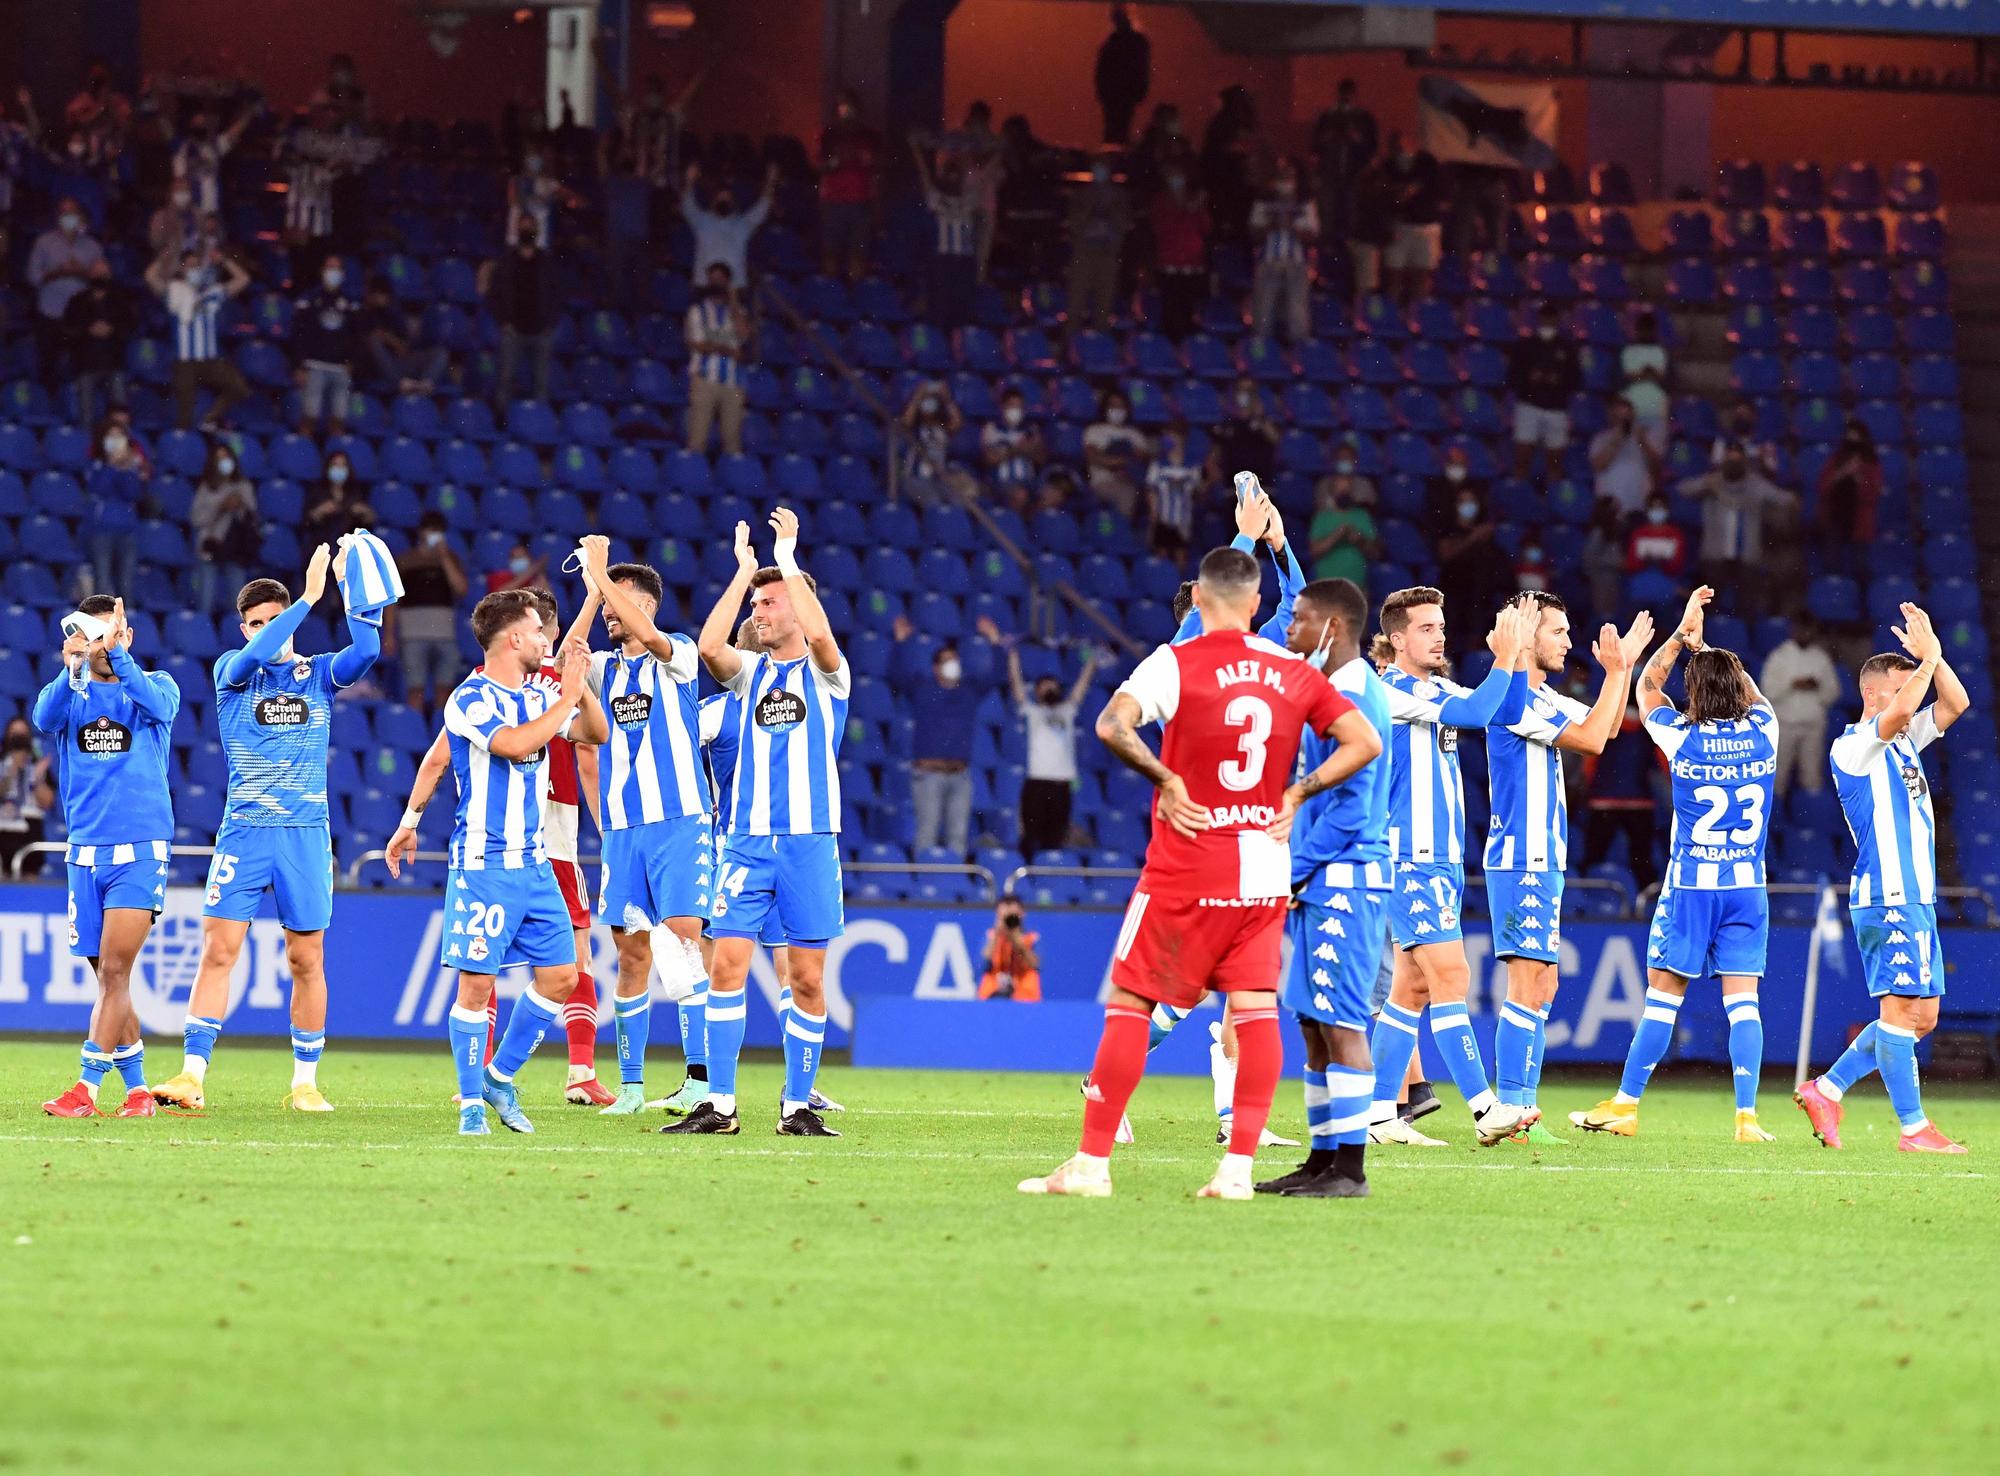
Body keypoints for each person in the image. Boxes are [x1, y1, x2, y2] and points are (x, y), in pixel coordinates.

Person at [1017, 546, 1382, 1199]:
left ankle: (1092, 1165)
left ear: (1202, 602)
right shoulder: (1291, 669)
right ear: (1252, 604)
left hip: (1189, 863)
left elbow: (1111, 724)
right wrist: (1297, 795)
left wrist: (1166, 778)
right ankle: (1237, 1170)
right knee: (1254, 1012)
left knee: (1132, 1003)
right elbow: (1364, 741)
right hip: (1264, 869)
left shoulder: (1177, 661)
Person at [149, 548, 380, 1112]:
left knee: (307, 959)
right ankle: (191, 1074)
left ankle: (305, 1082)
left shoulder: (319, 673)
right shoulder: (232, 672)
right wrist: (305, 598)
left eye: (272, 620)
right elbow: (248, 656)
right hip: (245, 832)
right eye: (255, 622)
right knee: (218, 951)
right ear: (244, 628)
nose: (264, 631)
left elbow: (369, 648)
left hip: (304, 834)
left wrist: (352, 589)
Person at [390, 589, 612, 1106]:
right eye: (538, 631)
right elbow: (513, 744)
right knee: (477, 983)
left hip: (537, 862)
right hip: (485, 863)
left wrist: (579, 691)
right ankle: (471, 1103)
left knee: (563, 975)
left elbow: (594, 734)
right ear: (515, 637)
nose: (545, 640)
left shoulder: (540, 695)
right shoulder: (470, 698)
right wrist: (565, 695)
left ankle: (499, 1076)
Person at [1573, 586, 1778, 1142]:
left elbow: (1646, 687)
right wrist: (1707, 650)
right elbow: (1753, 696)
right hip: (1747, 888)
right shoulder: (1765, 730)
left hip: (1692, 886)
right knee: (1744, 1004)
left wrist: (1681, 642)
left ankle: (1626, 1105)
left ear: (1695, 692)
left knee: (1664, 995)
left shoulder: (1681, 737)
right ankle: (1747, 1117)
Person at [672, 509, 850, 1137]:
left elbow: (824, 638)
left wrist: (789, 558)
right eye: (759, 603)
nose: (761, 612)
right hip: (746, 844)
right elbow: (712, 647)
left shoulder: (830, 676)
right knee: (727, 967)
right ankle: (719, 1106)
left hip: (808, 843)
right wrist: (746, 571)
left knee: (805, 976)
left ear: (799, 610)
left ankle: (797, 1105)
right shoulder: (749, 677)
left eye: (771, 604)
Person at [544, 538, 716, 1117]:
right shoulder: (605, 668)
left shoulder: (681, 657)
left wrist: (604, 578)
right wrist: (593, 592)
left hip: (678, 822)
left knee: (684, 943)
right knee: (631, 954)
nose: (612, 618)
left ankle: (699, 1080)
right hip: (623, 831)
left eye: (620, 608)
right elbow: (568, 653)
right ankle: (636, 1087)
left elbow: (649, 634)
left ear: (645, 605)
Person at [1794, 604, 1971, 1154]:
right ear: (1875, 694)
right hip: (1888, 894)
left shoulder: (1905, 744)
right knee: (1899, 1013)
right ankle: (1914, 1129)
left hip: (1916, 896)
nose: (1913, 695)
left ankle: (1827, 1089)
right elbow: (1899, 714)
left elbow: (1956, 702)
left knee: (1923, 1017)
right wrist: (1929, 660)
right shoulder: (1854, 746)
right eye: (1903, 686)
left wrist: (1934, 653)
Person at [1365, 587, 1535, 1148]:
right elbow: (1475, 711)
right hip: (1411, 856)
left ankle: (1379, 1116)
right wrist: (1505, 657)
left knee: (1410, 990)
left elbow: (1502, 713)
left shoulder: (1434, 687)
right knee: (1452, 978)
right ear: (1397, 639)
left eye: (1441, 626)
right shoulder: (1393, 689)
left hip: (1437, 856)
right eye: (1426, 628)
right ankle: (1486, 1109)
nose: (1440, 635)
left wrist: (1511, 659)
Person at [1484, 594, 1652, 1135]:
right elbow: (1590, 741)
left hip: (1544, 859)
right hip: (1521, 859)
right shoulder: (1514, 699)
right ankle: (1508, 1104)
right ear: (1528, 635)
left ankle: (1523, 1110)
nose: (1567, 641)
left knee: (1545, 985)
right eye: (1557, 631)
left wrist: (1619, 671)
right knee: (1525, 982)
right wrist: (1616, 671)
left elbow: (1602, 731)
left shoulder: (1545, 698)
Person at [1258, 576, 1393, 1199]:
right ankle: (1320, 1160)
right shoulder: (1333, 688)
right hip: (1322, 876)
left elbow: (1352, 810)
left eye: (1299, 620)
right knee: (1313, 1023)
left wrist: (1291, 868)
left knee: (1342, 1025)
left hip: (1346, 879)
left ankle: (1351, 1168)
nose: (1291, 631)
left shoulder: (1356, 691)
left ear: (1330, 628)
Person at [34, 595, 179, 1119]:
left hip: (140, 849)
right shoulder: (71, 695)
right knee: (106, 977)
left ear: (127, 636)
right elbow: (42, 718)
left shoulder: (157, 687)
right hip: (84, 852)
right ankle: (139, 1093)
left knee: (115, 970)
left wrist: (117, 655)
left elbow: (158, 709)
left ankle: (86, 1089)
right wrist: (70, 668)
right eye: (91, 635)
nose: (100, 644)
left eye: (110, 633)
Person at [892, 619, 980, 856]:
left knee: (958, 838)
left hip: (960, 776)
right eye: (947, 661)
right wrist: (901, 643)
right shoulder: (923, 690)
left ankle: (955, 886)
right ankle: (925, 886)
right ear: (936, 667)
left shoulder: (968, 692)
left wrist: (994, 642)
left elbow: (995, 676)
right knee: (927, 834)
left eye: (955, 660)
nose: (953, 665)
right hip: (928, 775)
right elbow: (898, 676)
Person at [1676, 448, 1796, 618]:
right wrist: (1706, 484)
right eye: (1730, 462)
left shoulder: (1755, 484)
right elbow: (1683, 489)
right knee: (1710, 609)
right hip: (1715, 557)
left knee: (1747, 609)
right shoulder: (1713, 482)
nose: (1733, 466)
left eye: (1737, 462)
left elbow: (1785, 499)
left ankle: (1744, 639)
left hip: (1747, 558)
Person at [145, 240, 250, 430]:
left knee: (239, 388)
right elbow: (150, 277)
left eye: (197, 265)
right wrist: (163, 258)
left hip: (210, 360)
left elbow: (243, 279)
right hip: (184, 362)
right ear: (183, 268)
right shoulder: (174, 291)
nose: (194, 269)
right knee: (185, 414)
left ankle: (210, 418)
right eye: (190, 265)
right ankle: (186, 445)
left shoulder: (213, 292)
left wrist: (224, 261)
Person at [1011, 643, 1098, 859]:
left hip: (1061, 786)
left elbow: (1081, 686)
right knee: (1030, 838)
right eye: (1045, 686)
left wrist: (1091, 662)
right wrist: (1012, 656)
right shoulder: (1032, 711)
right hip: (1037, 783)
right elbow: (1017, 687)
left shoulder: (1067, 710)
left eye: (1053, 686)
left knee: (1055, 839)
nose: (1050, 689)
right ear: (1038, 691)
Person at [1578, 701, 1662, 896]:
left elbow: (1589, 764)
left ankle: (1582, 898)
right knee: (1642, 860)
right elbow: (1664, 767)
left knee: (1593, 856)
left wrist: (1592, 788)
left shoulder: (1607, 727)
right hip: (1640, 804)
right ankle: (1646, 903)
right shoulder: (1648, 733)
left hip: (1603, 802)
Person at [387, 513, 468, 710]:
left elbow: (461, 589)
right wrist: (389, 633)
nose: (434, 535)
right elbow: (392, 600)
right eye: (430, 530)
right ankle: (415, 732)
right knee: (415, 688)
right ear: (421, 532)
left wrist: (444, 558)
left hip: (444, 634)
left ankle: (438, 731)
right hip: (412, 634)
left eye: (438, 531)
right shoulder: (406, 560)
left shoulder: (451, 559)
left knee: (444, 688)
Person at [1428, 466, 1511, 650]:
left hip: (1479, 601)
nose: (1468, 506)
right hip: (1453, 596)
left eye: (1471, 501)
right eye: (1463, 501)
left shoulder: (1487, 535)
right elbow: (1446, 554)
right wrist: (1473, 538)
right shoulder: (1448, 527)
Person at [1760, 614, 1842, 796]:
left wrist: (1817, 686)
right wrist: (1792, 684)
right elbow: (1767, 691)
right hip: (1785, 724)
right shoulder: (1779, 656)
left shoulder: (1821, 658)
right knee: (1778, 776)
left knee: (1812, 777)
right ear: (1793, 630)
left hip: (1813, 725)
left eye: (1808, 629)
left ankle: (1811, 819)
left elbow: (1833, 692)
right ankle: (1776, 818)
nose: (1804, 633)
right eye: (1801, 629)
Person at [481, 214, 557, 407]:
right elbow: (494, 294)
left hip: (540, 331)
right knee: (506, 380)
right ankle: (502, 423)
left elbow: (559, 295)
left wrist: (550, 322)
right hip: (513, 330)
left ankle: (540, 423)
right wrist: (503, 320)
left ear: (537, 231)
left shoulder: (547, 262)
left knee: (542, 383)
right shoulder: (507, 261)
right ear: (516, 231)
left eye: (530, 227)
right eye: (523, 227)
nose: (527, 231)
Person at [27, 198, 106, 379]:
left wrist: (82, 272)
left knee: (80, 371)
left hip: (80, 317)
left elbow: (103, 282)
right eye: (64, 213)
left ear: (79, 216)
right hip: (50, 315)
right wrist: (57, 272)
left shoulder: (92, 246)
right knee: (49, 370)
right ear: (57, 216)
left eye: (72, 213)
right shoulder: (43, 243)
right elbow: (32, 277)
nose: (68, 217)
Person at [911, 139, 979, 330]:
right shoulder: (937, 199)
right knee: (941, 304)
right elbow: (924, 174)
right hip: (943, 259)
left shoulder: (968, 200)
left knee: (962, 305)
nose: (952, 180)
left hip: (964, 259)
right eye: (949, 176)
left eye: (956, 176)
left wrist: (998, 154)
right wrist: (916, 149)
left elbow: (983, 179)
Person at [290, 252, 360, 438]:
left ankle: (334, 455)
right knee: (309, 417)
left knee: (339, 419)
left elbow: (357, 335)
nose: (333, 272)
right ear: (322, 271)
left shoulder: (350, 302)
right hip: (314, 366)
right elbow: (298, 334)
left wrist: (351, 361)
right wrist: (300, 365)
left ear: (343, 273)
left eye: (337, 268)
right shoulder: (309, 299)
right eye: (330, 268)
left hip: (340, 368)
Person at [1508, 302, 1581, 479]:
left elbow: (1576, 380)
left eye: (1552, 318)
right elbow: (1512, 376)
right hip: (1529, 406)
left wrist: (1558, 380)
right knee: (1522, 460)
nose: (1548, 321)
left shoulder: (1567, 348)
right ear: (1539, 319)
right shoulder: (1526, 345)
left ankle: (1552, 503)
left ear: (1557, 320)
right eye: (1545, 317)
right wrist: (1530, 379)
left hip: (1556, 409)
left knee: (1555, 464)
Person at [684, 260, 749, 456]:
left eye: (720, 280)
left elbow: (744, 335)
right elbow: (698, 343)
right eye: (713, 280)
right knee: (698, 437)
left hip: (733, 381)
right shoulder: (697, 311)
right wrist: (728, 349)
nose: (716, 284)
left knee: (732, 440)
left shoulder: (738, 312)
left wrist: (734, 302)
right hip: (704, 379)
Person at [1248, 160, 1317, 344]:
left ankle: (1299, 356)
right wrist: (1272, 224)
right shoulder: (1262, 201)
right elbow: (1254, 234)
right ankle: (1262, 357)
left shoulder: (1305, 203)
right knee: (1263, 312)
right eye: (1281, 175)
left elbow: (1312, 236)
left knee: (1297, 314)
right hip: (1268, 262)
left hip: (1297, 263)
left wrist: (1291, 225)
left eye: (1289, 176)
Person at [189, 440, 260, 615]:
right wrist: (220, 508)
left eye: (226, 457)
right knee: (206, 599)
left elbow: (252, 518)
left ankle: (238, 638)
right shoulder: (207, 487)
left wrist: (240, 505)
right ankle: (203, 635)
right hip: (211, 545)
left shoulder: (243, 486)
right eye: (219, 458)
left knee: (238, 602)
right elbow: (195, 519)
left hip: (236, 548)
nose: (224, 462)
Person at [680, 159, 776, 287]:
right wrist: (689, 180)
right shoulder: (701, 220)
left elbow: (764, 205)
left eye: (728, 199)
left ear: (734, 203)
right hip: (704, 286)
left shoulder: (744, 224)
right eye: (720, 198)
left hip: (734, 288)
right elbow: (687, 203)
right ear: (712, 202)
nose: (724, 201)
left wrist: (771, 181)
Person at [61, 262, 132, 430]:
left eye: (104, 272)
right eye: (97, 271)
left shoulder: (120, 300)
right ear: (90, 275)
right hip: (85, 362)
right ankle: (89, 451)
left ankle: (119, 451)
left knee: (119, 413)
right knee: (86, 415)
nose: (100, 275)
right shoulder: (77, 301)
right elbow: (67, 328)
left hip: (114, 361)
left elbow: (131, 326)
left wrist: (112, 329)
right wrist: (88, 329)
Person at [1311, 78, 1378, 253]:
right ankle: (1327, 244)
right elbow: (1315, 145)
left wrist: (1355, 138)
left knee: (1352, 208)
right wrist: (1331, 135)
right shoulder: (1328, 117)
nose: (1347, 97)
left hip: (1354, 172)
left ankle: (1349, 243)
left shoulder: (1364, 118)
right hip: (1330, 170)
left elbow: (1372, 147)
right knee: (1328, 209)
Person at [819, 91, 879, 282]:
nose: (844, 110)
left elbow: (877, 167)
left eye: (847, 105)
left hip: (860, 201)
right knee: (831, 251)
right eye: (841, 106)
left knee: (858, 253)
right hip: (834, 201)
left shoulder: (869, 135)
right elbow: (820, 167)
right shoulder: (830, 135)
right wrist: (832, 164)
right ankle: (831, 295)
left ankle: (856, 296)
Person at [85, 419, 148, 597]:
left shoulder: (131, 468)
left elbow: (133, 493)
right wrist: (112, 466)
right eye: (111, 436)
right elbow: (100, 489)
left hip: (128, 529)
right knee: (102, 582)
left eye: (119, 436)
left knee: (126, 585)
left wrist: (126, 468)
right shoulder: (96, 464)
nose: (114, 440)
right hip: (103, 528)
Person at [1065, 158, 1130, 330]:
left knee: (1104, 303)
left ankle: (1100, 344)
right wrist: (1090, 204)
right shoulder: (1081, 194)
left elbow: (1122, 223)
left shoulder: (1119, 196)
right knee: (1076, 302)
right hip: (1084, 253)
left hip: (1107, 253)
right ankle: (1070, 344)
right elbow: (1074, 222)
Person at [1379, 132, 1442, 305]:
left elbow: (1436, 190)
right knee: (1393, 276)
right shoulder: (1387, 166)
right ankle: (1391, 317)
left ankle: (1417, 317)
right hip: (1399, 227)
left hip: (1426, 227)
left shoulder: (1428, 164)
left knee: (1421, 277)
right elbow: (1384, 196)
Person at [357, 274, 447, 395]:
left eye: (382, 294)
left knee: (441, 352)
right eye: (375, 294)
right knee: (374, 340)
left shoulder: (394, 316)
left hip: (401, 362)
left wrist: (388, 338)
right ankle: (400, 383)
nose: (379, 298)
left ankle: (425, 384)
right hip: (379, 368)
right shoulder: (363, 315)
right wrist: (381, 338)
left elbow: (404, 349)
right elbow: (366, 345)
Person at [1815, 419, 1883, 573]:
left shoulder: (1871, 464)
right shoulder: (1836, 460)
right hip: (1835, 518)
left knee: (1860, 568)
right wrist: (1842, 473)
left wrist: (1858, 477)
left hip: (1860, 521)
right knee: (1830, 565)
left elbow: (1872, 496)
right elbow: (1822, 488)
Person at [1150, 167, 1208, 342]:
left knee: (1188, 309)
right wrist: (1182, 210)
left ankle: (1187, 349)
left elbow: (1205, 228)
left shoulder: (1196, 200)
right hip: (1169, 264)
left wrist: (1198, 208)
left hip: (1191, 264)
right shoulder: (1161, 201)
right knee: (1170, 309)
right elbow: (1160, 227)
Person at [898, 378, 971, 505]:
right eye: (926, 399)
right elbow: (906, 421)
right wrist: (919, 395)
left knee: (958, 502)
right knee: (934, 501)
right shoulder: (915, 427)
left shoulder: (942, 427)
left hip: (939, 479)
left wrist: (947, 399)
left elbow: (957, 423)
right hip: (915, 478)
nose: (929, 402)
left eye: (932, 399)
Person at [0, 716, 56, 880]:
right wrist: (12, 770)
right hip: (4, 829)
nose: (18, 739)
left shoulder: (38, 765)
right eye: (15, 734)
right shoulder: (2, 763)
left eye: (22, 735)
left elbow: (47, 802)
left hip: (31, 831)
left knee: (29, 882)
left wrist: (36, 780)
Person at [1589, 395, 1663, 517]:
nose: (1623, 421)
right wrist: (1616, 442)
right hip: (1610, 506)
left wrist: (1643, 442)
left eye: (1627, 417)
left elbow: (1656, 469)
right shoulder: (1600, 439)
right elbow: (1598, 466)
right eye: (1619, 417)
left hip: (1638, 506)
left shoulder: (1644, 438)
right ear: (1611, 416)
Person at [1082, 388, 1150, 518]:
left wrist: (1114, 459)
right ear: (1105, 407)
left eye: (1121, 406)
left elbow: (1142, 457)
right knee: (1126, 492)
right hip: (1103, 482)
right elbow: (1093, 457)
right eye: (1113, 405)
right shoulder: (1094, 431)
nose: (1117, 409)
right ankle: (1123, 532)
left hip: (1134, 481)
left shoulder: (1135, 434)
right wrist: (1124, 460)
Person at [1308, 463, 1379, 584]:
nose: (1344, 491)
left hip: (1357, 587)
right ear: (1332, 489)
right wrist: (1336, 536)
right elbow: (1313, 552)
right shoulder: (1322, 516)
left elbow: (1375, 553)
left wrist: (1359, 539)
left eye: (1347, 488)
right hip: (1327, 588)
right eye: (1341, 489)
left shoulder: (1362, 516)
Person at [1093, 4, 1151, 146]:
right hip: (1124, 94)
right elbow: (1141, 68)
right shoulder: (1136, 41)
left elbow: (1102, 70)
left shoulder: (1111, 42)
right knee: (1121, 130)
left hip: (1115, 95)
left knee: (1115, 130)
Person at [1142, 422, 1202, 558]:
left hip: (1184, 520)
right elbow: (1151, 491)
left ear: (1181, 438)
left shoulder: (1192, 466)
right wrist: (1153, 519)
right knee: (1161, 555)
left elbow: (1197, 492)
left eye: (1173, 435)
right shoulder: (1158, 465)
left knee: (1181, 556)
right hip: (1163, 519)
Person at [979, 388, 1046, 508]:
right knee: (1020, 495)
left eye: (1019, 406)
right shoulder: (991, 429)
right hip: (1002, 482)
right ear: (1003, 406)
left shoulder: (1031, 429)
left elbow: (1041, 459)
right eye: (1012, 405)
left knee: (1050, 495)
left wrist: (1034, 448)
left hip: (1028, 481)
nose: (1016, 410)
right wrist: (1017, 450)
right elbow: (989, 459)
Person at [1208, 378, 1279, 489]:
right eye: (1242, 390)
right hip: (1234, 487)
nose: (1245, 395)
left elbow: (1275, 439)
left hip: (1261, 485)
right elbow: (1214, 455)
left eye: (1249, 391)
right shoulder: (1227, 424)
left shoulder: (1264, 422)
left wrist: (1259, 416)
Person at [302, 449, 370, 550]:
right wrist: (319, 511)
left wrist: (365, 512)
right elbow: (306, 522)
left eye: (343, 465)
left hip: (350, 549)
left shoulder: (356, 492)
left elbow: (370, 521)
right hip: (321, 546)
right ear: (328, 468)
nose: (339, 469)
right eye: (335, 465)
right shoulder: (316, 491)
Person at [979, 899, 1043, 1001]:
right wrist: (997, 931)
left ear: (1022, 914)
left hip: (1024, 992)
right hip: (993, 991)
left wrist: (1016, 939)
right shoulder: (991, 936)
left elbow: (1035, 964)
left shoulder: (1031, 938)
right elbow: (983, 960)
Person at [1621, 310, 1670, 431]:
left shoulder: (1660, 351)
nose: (1645, 332)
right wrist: (1647, 374)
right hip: (1632, 401)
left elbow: (1662, 376)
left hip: (1656, 402)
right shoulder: (1628, 351)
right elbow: (1628, 376)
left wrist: (1642, 374)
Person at [1625, 493, 1689, 584]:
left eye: (1660, 507)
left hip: (1668, 581)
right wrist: (1644, 561)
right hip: (1641, 581)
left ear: (1667, 510)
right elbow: (1631, 564)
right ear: (1647, 510)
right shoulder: (1639, 533)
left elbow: (1678, 565)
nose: (1657, 510)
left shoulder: (1675, 534)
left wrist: (1663, 562)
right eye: (1653, 507)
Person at [1582, 496, 1628, 618]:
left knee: (1612, 613)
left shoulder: (1616, 529)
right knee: (1602, 614)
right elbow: (1589, 558)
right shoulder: (1598, 532)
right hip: (1601, 578)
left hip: (1614, 577)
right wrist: (1615, 562)